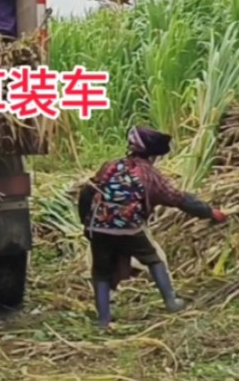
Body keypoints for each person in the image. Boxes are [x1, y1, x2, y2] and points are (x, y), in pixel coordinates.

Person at [77, 125, 229, 329]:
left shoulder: (110, 166)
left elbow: (87, 192)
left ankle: (103, 321)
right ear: (153, 154)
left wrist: (88, 226)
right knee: (153, 260)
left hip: (99, 228)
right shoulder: (149, 175)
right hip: (130, 229)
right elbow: (179, 199)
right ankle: (171, 303)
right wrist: (210, 212)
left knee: (101, 272)